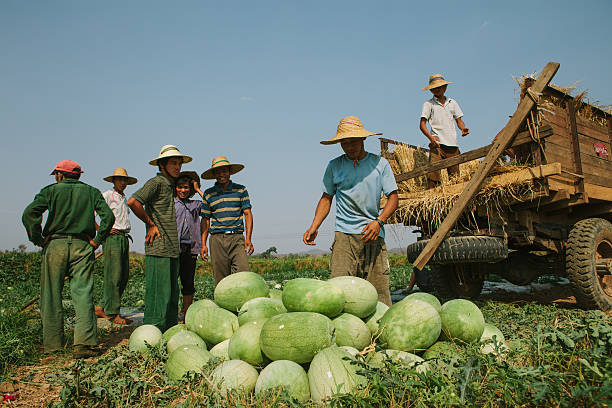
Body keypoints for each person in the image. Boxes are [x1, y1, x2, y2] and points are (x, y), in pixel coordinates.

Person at [22, 160, 115, 358]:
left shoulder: (51, 191)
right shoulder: (91, 192)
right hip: (82, 246)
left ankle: (53, 346)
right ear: (79, 175)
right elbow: (108, 217)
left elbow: (29, 214)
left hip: (55, 246)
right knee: (83, 293)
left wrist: (38, 239)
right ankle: (84, 344)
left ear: (60, 175)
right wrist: (98, 240)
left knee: (51, 295)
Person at [303, 116, 398, 306]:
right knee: (338, 293)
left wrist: (378, 221)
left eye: (353, 141)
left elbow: (393, 198)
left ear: (363, 139)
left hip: (373, 233)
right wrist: (314, 226)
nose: (349, 147)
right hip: (344, 236)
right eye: (344, 143)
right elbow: (326, 198)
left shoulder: (380, 165)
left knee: (379, 294)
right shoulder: (334, 166)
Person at [127, 145, 192, 331]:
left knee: (171, 293)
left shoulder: (170, 185)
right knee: (158, 293)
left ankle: (168, 331)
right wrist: (151, 224)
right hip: (159, 247)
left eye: (179, 163)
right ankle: (152, 332)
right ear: (162, 165)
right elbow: (133, 202)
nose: (178, 167)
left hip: (172, 248)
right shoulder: (155, 182)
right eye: (173, 163)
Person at [200, 156, 254, 285]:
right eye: (218, 172)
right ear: (214, 174)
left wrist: (248, 239)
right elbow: (205, 220)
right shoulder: (209, 194)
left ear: (229, 172)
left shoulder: (241, 190)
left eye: (224, 171)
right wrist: (203, 244)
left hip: (236, 237)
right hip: (217, 239)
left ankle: (244, 304)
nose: (221, 174)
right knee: (221, 280)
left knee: (244, 274)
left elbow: (247, 214)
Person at [94, 168, 137, 325]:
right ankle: (113, 313)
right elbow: (92, 214)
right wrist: (101, 230)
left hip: (123, 238)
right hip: (113, 238)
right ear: (113, 181)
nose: (123, 183)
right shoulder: (107, 196)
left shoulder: (123, 198)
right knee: (114, 275)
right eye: (120, 180)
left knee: (123, 275)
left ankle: (104, 306)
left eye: (125, 180)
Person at [420, 74, 470, 189]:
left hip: (452, 144)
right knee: (433, 176)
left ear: (445, 87)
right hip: (437, 144)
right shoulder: (428, 104)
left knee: (455, 178)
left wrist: (463, 128)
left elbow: (459, 120)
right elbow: (422, 125)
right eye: (434, 88)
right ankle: (431, 198)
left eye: (439, 86)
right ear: (431, 90)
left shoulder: (452, 103)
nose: (437, 89)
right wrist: (431, 138)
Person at [174, 171, 204, 315]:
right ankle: (172, 313)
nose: (183, 190)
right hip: (174, 247)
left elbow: (211, 205)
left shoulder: (195, 204)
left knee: (188, 283)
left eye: (186, 187)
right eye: (180, 187)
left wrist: (197, 189)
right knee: (172, 282)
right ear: (175, 188)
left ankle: (186, 314)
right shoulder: (171, 203)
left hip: (190, 248)